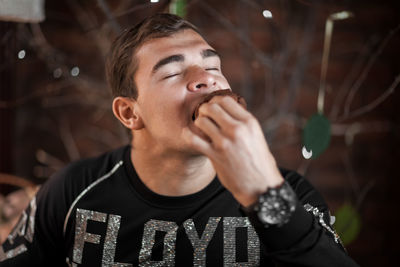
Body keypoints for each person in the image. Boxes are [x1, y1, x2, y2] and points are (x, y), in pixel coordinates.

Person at [0, 13, 359, 266]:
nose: (206, 79)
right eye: (172, 71)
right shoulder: (71, 191)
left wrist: (267, 196)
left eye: (213, 67)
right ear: (129, 113)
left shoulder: (288, 192)